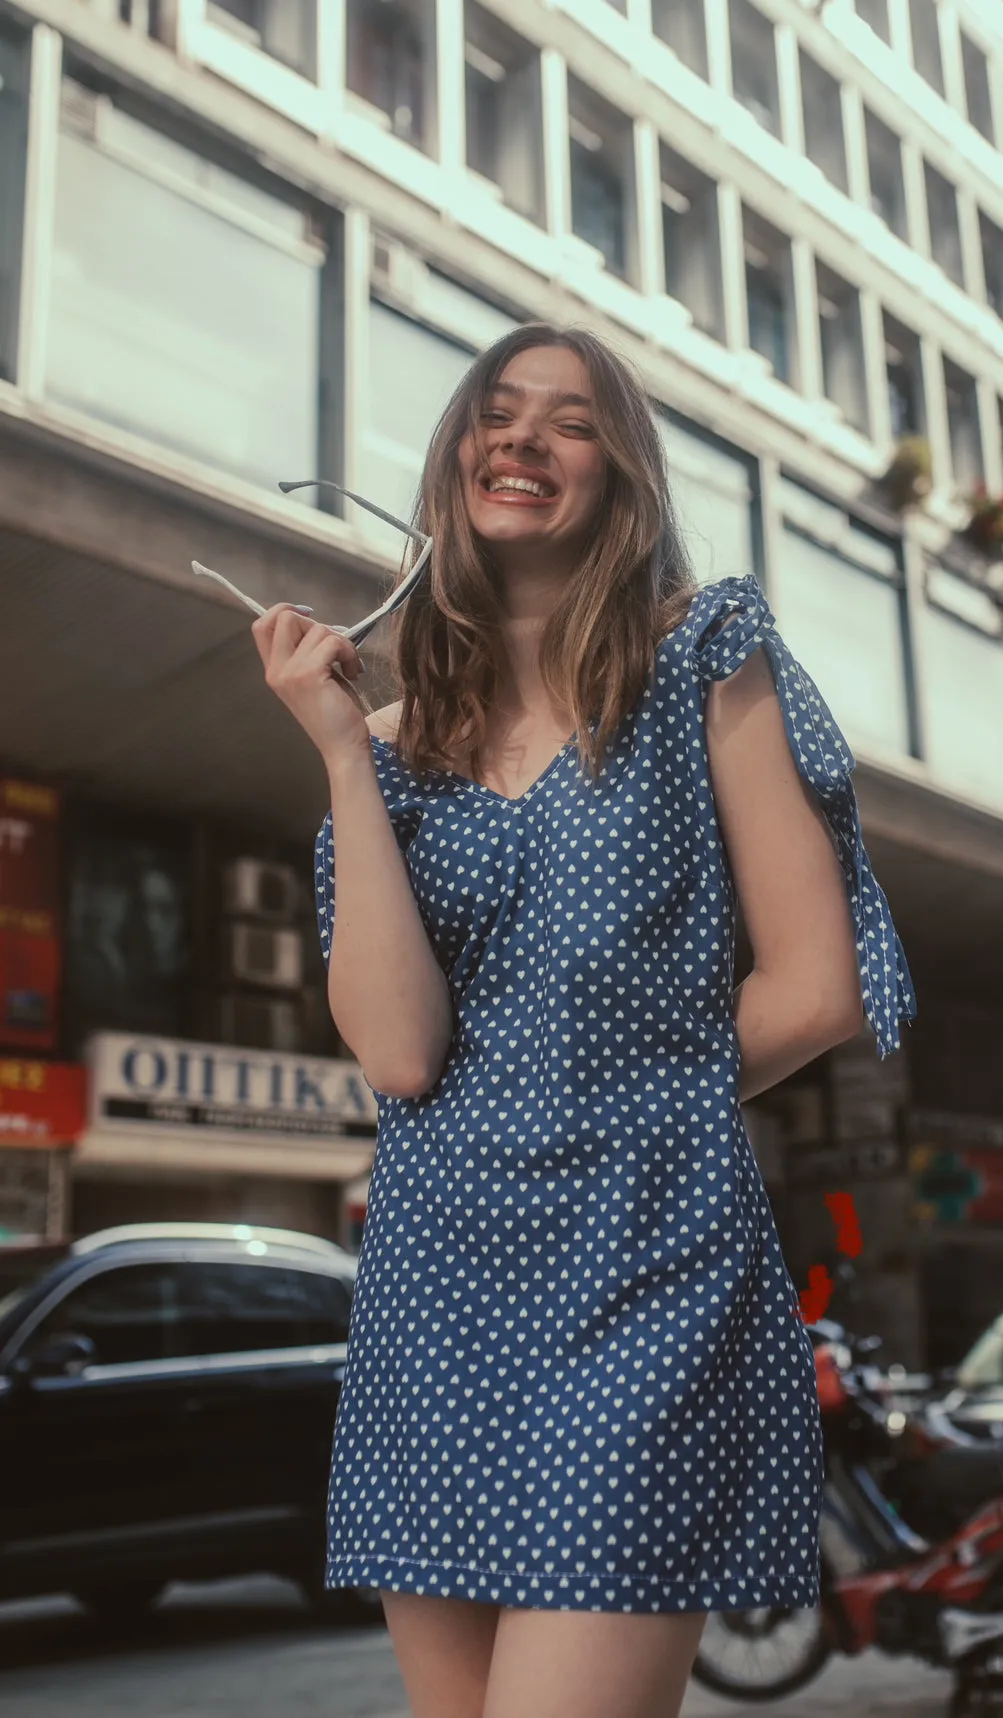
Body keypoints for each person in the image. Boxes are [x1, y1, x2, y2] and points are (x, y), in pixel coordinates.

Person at [251, 324, 915, 1718]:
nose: (524, 441)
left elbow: (816, 982)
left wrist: (600, 1095)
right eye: (497, 415)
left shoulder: (701, 658)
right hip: (438, 1290)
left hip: (645, 1269)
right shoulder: (381, 748)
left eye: (569, 422)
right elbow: (397, 1052)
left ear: (619, 475)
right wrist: (335, 750)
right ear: (452, 461)